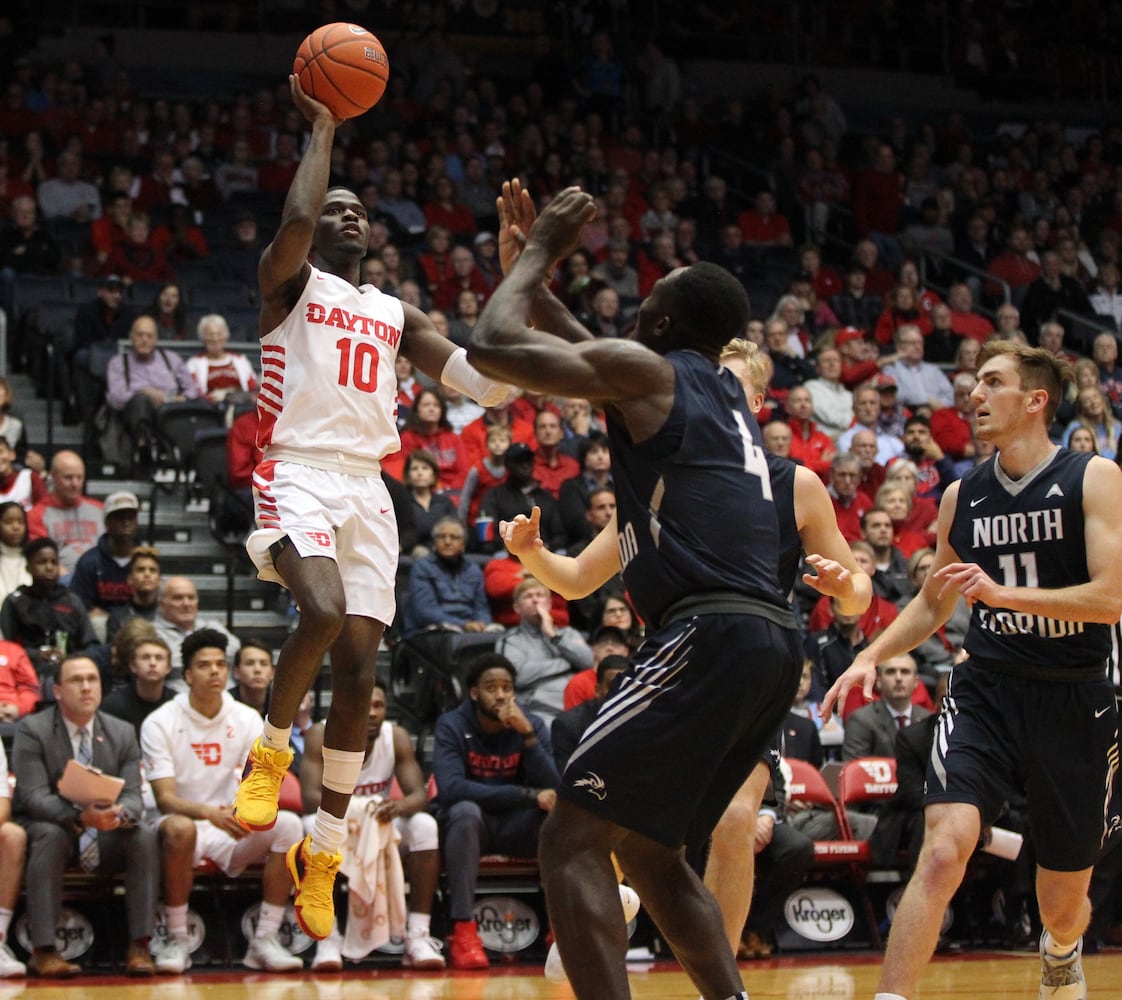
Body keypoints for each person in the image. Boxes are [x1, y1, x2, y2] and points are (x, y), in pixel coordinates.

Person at [470, 182, 808, 1000]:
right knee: (649, 850)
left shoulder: (652, 372)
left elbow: (489, 345)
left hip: (707, 633)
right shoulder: (719, 392)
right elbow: (599, 353)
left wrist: (542, 251)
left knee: (570, 839)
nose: (641, 296)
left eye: (652, 292)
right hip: (772, 643)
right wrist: (538, 281)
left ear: (659, 320)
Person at [232, 74, 512, 945]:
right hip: (298, 470)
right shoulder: (288, 287)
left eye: (360, 210)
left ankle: (323, 846)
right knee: (317, 608)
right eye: (337, 207)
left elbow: (489, 385)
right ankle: (272, 745)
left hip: (367, 488)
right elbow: (294, 227)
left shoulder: (394, 312)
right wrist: (323, 131)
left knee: (358, 675)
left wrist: (519, 274)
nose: (348, 216)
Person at [823, 340, 1122, 1000]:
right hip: (985, 686)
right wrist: (869, 655)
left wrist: (1004, 595)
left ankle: (1060, 949)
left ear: (1035, 400)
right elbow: (936, 600)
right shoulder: (963, 495)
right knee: (942, 848)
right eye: (972, 382)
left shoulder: (1093, 477)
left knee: (1064, 899)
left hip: (1075, 695)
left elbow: (1113, 596)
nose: (974, 394)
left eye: (992, 382)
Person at [139, 630, 304, 974]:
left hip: (230, 825)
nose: (215, 671)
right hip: (180, 825)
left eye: (220, 664)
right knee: (180, 829)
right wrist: (208, 813)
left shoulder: (246, 718)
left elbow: (259, 783)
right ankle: (178, 938)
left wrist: (244, 810)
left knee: (290, 825)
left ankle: (264, 939)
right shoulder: (160, 721)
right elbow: (165, 798)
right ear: (187, 676)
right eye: (204, 665)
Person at [12, 654, 159, 977]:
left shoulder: (121, 731)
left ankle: (140, 945)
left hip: (107, 828)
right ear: (58, 690)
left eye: (92, 680)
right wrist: (80, 819)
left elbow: (135, 794)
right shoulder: (32, 730)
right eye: (77, 681)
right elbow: (33, 797)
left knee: (144, 835)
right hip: (55, 828)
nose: (86, 687)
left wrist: (121, 813)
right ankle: (44, 949)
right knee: (49, 835)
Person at [300, 681, 446, 970]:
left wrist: (399, 807)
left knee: (424, 826)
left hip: (379, 826)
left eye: (378, 706)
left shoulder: (397, 737)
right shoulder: (321, 733)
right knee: (307, 827)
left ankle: (418, 935)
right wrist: (360, 810)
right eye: (364, 705)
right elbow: (309, 798)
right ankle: (326, 938)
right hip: (338, 823)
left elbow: (418, 795)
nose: (371, 713)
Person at [431, 652, 561, 970]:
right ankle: (463, 931)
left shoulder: (531, 724)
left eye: (507, 687)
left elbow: (555, 789)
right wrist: (526, 795)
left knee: (557, 818)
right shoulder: (452, 725)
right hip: (471, 829)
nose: (501, 694)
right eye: (492, 687)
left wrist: (528, 736)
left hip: (517, 826)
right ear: (474, 692)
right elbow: (451, 789)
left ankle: (560, 932)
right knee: (464, 811)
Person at [0, 537, 100, 688]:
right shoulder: (15, 602)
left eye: (54, 562)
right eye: (42, 562)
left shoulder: (72, 601)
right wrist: (36, 654)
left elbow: (90, 643)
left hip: (68, 669)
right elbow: (5, 648)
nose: (49, 567)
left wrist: (71, 659)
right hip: (26, 670)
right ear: (28, 568)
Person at [105, 314, 200, 472]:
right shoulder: (119, 362)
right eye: (140, 335)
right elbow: (116, 399)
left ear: (156, 338)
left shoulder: (171, 359)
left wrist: (176, 399)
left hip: (169, 410)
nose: (144, 340)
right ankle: (144, 451)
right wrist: (145, 392)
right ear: (131, 336)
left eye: (149, 336)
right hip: (132, 415)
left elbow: (192, 390)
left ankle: (183, 461)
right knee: (141, 401)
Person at [495, 576, 594, 725]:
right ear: (517, 607)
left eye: (540, 595)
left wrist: (554, 636)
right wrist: (567, 663)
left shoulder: (568, 634)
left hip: (579, 705)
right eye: (528, 596)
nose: (535, 600)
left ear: (548, 604)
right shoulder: (510, 640)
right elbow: (518, 677)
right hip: (541, 711)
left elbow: (589, 662)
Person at [403, 515, 498, 636]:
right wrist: (464, 625)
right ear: (434, 542)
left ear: (463, 544)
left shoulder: (474, 570)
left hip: (468, 630)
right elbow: (425, 612)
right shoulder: (422, 568)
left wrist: (482, 623)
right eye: (442, 537)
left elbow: (481, 607)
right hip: (431, 631)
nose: (447, 542)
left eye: (454, 537)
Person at [151, 576, 240, 689]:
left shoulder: (213, 626)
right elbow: (168, 664)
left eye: (191, 597)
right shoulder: (152, 633)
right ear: (161, 604)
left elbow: (237, 654)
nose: (186, 604)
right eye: (178, 598)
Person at [841, 653, 932, 759]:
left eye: (905, 672)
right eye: (891, 672)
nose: (898, 678)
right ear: (878, 681)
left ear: (916, 682)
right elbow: (854, 768)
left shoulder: (928, 720)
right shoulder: (861, 720)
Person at [27, 451, 103, 576]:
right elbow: (40, 557)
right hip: (60, 582)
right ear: (53, 476)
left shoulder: (100, 510)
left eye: (79, 477)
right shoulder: (37, 514)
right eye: (68, 477)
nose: (75, 484)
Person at [69, 490, 141, 621]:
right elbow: (78, 605)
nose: (126, 523)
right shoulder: (89, 562)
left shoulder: (146, 561)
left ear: (137, 522)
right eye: (119, 517)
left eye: (130, 517)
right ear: (107, 523)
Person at [552, 654, 629, 772]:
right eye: (613, 686)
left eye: (626, 686)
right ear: (598, 690)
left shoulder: (645, 720)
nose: (620, 693)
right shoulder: (568, 725)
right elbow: (569, 780)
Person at [99, 626, 174, 735]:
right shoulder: (112, 705)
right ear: (133, 665)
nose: (152, 663)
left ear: (168, 667)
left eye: (159, 658)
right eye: (145, 657)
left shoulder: (177, 704)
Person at [185, 313, 258, 406]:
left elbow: (251, 387)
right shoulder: (194, 364)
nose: (215, 339)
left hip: (241, 406)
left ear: (225, 337)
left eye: (219, 334)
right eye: (210, 334)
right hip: (210, 408)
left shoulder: (240, 360)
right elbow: (195, 392)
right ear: (203, 338)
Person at [105, 545, 161, 645]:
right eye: (141, 569)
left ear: (159, 580)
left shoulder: (168, 614)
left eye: (152, 570)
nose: (147, 574)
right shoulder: (118, 618)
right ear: (130, 579)